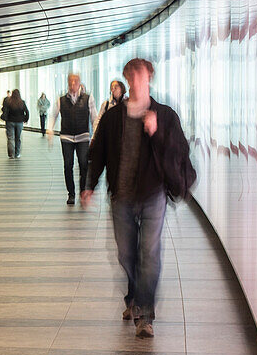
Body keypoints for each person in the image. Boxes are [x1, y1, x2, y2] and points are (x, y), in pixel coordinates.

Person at [82, 59, 193, 338]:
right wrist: (89, 185)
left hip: (152, 195)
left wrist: (156, 133)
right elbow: (98, 152)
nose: (135, 81)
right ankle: (133, 295)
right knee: (126, 253)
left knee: (150, 254)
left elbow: (179, 151)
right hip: (121, 196)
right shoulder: (112, 117)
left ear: (149, 78)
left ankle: (145, 313)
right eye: (130, 77)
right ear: (126, 80)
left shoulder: (165, 115)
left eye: (140, 76)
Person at [47, 73, 98, 205]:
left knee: (83, 165)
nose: (73, 84)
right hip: (66, 137)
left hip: (83, 136)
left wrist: (96, 135)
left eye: (75, 81)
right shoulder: (61, 100)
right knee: (68, 165)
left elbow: (94, 117)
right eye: (70, 81)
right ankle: (71, 194)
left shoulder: (88, 98)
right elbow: (53, 115)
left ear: (80, 82)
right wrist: (50, 129)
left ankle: (82, 192)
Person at [0, 88, 29, 158]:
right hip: (19, 122)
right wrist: (25, 119)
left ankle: (11, 154)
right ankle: (17, 153)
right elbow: (27, 112)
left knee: (10, 138)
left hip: (10, 122)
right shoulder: (22, 102)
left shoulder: (8, 102)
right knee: (18, 138)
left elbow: (4, 110)